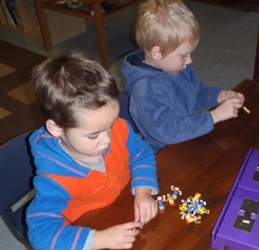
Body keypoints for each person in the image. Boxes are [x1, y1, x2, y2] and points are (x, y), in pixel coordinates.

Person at [26, 51, 159, 249]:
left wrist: (143, 189)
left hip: (124, 210)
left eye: (110, 125)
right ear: (57, 129)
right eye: (93, 135)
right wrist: (100, 239)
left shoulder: (117, 128)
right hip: (87, 234)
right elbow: (41, 234)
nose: (107, 139)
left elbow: (141, 153)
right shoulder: (54, 179)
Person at [121, 0, 245, 153]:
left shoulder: (178, 68)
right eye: (184, 55)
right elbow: (169, 132)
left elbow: (197, 92)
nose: (189, 60)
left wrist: (219, 96)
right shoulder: (146, 89)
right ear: (157, 53)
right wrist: (214, 116)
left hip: (189, 134)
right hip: (165, 151)